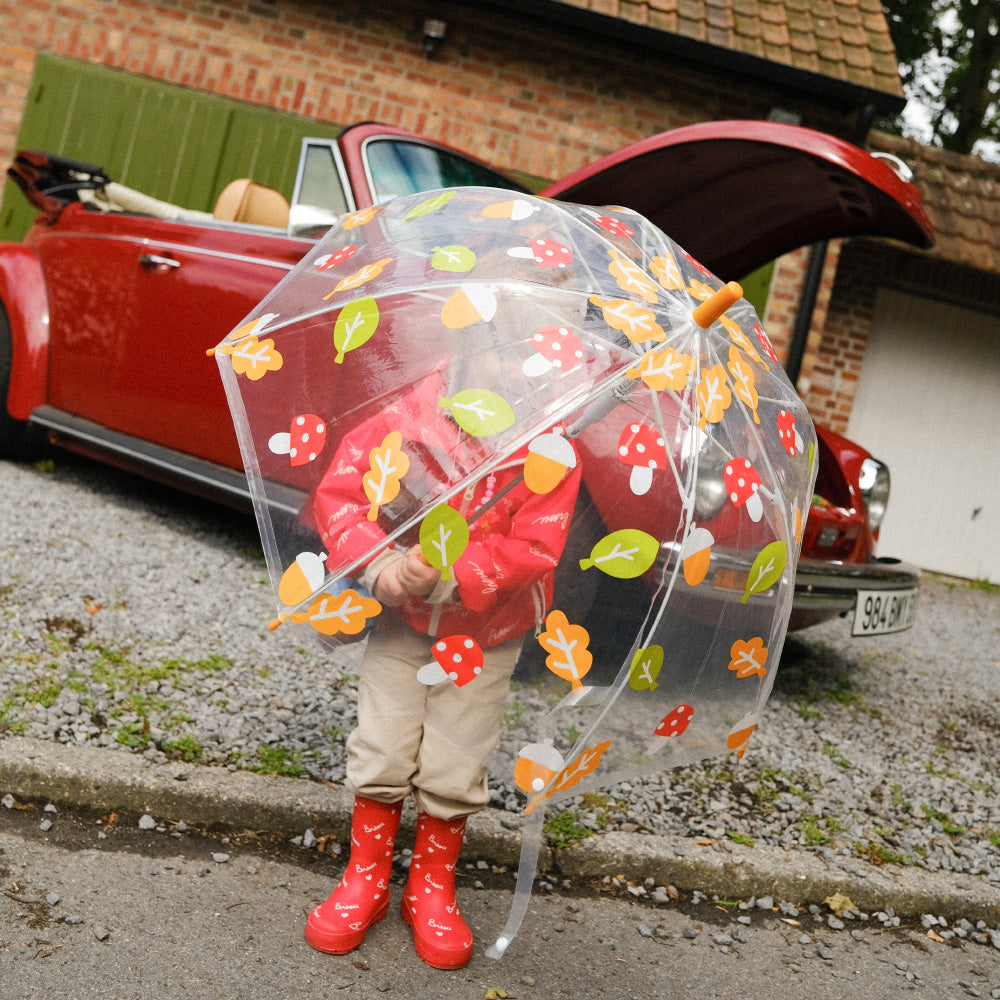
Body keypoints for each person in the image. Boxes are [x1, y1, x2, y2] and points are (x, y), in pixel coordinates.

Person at [303, 362, 581, 969]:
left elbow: (536, 545)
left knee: (458, 754)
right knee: (382, 739)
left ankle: (431, 885)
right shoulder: (405, 422)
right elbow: (343, 496)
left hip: (486, 634)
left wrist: (454, 574)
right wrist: (383, 567)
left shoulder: (549, 446)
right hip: (401, 625)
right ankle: (367, 875)